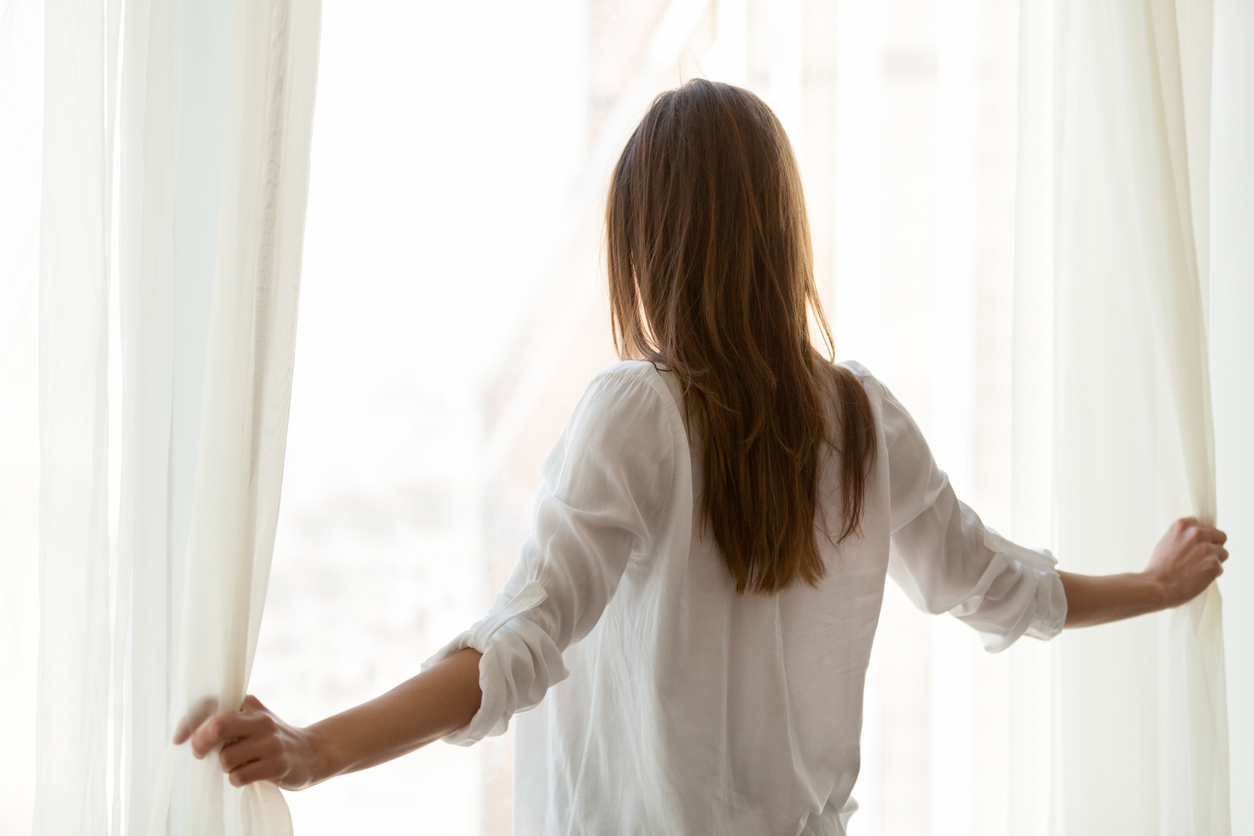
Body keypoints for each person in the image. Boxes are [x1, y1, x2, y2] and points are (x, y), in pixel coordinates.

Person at [177, 80, 1229, 835]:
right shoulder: (862, 419)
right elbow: (997, 586)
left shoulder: (636, 412)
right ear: (781, 235)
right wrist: (1154, 582)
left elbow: (516, 645)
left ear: (649, 244)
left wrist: (319, 746)